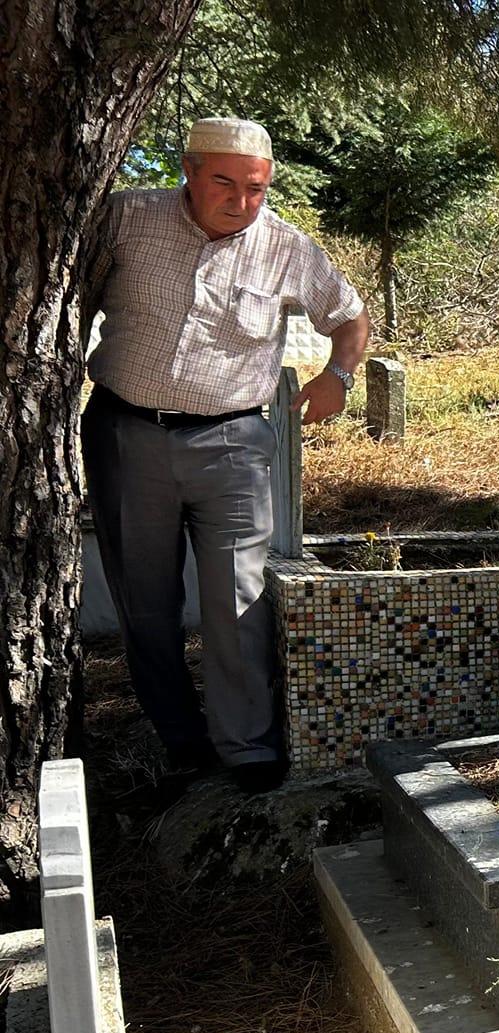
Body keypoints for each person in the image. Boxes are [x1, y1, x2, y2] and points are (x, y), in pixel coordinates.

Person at [81, 117, 369, 795]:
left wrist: (340, 375)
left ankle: (247, 746)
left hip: (235, 444)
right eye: (224, 182)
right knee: (146, 601)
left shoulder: (287, 248)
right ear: (189, 170)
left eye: (257, 188)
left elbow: (349, 316)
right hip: (128, 434)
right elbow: (67, 296)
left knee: (236, 597)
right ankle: (180, 737)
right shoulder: (128, 218)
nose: (241, 200)